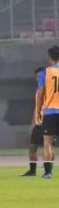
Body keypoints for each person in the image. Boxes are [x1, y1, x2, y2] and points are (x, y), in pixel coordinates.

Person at [36, 46, 59, 179]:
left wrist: (38, 111)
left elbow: (40, 93)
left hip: (50, 111)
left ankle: (48, 172)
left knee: (47, 142)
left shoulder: (44, 73)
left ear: (49, 57)